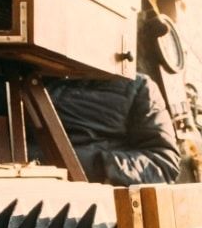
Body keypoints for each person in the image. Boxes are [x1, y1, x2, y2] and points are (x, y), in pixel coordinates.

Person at [47, 73, 182, 185]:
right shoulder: (43, 72)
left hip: (76, 192)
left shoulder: (139, 87)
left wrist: (98, 165)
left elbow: (162, 165)